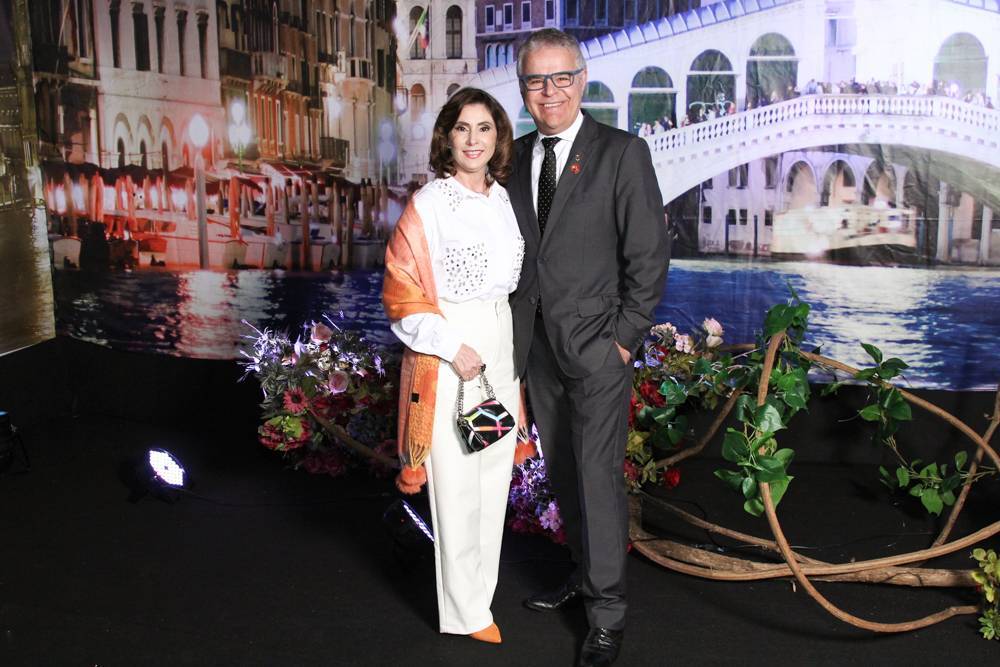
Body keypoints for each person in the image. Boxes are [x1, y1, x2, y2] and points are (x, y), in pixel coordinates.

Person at [506, 29, 669, 667]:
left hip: (599, 350)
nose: (550, 92)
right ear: (523, 88)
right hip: (537, 350)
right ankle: (581, 572)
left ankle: (606, 616)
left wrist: (623, 342)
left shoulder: (622, 153)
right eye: (536, 81)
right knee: (564, 473)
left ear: (583, 79)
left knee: (597, 479)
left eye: (561, 78)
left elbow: (648, 258)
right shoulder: (513, 157)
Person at [382, 87, 530, 644]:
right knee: (456, 485)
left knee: (493, 480)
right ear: (447, 137)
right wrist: (450, 345)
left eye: (484, 128)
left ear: (498, 138)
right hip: (450, 352)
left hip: (501, 348)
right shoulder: (430, 204)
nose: (473, 140)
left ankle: (480, 599)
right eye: (463, 128)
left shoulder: (504, 200)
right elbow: (401, 291)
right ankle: (464, 613)